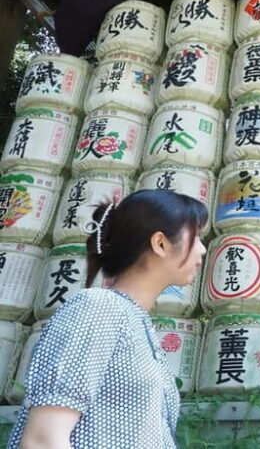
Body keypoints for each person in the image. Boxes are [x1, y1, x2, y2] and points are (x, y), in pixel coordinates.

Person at [7, 189, 208, 449]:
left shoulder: (135, 322)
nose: (202, 250)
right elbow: (42, 440)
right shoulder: (98, 309)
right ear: (160, 243)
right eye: (197, 236)